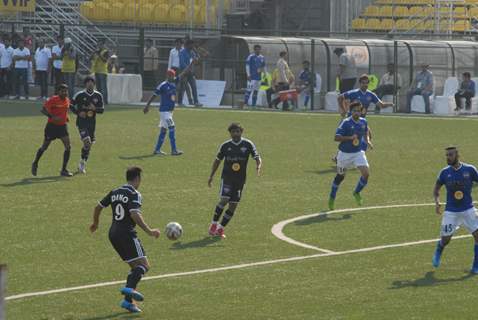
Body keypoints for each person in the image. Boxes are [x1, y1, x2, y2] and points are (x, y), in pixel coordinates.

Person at [90, 166, 161, 313]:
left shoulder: (115, 191)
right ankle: (128, 290)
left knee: (135, 268)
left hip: (113, 234)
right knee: (144, 266)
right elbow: (135, 213)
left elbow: (98, 207)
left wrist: (95, 223)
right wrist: (149, 231)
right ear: (137, 179)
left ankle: (128, 303)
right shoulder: (134, 193)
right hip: (127, 233)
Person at [207, 123, 262, 238]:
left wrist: (258, 165)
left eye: (237, 131)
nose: (235, 134)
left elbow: (257, 157)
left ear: (241, 132)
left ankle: (220, 229)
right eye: (233, 132)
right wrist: (211, 176)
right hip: (227, 178)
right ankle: (213, 224)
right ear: (230, 133)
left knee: (233, 205)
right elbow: (217, 161)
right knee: (224, 200)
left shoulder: (248, 144)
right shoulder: (225, 146)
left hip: (240, 180)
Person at [432, 146, 478, 274]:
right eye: (446, 155)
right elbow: (436, 189)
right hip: (451, 212)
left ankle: (476, 265)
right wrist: (437, 202)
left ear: (457, 155)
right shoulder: (444, 172)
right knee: (446, 239)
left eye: (450, 155)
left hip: (468, 209)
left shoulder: (470, 170)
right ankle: (439, 247)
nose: (448, 157)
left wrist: (472, 185)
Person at [328, 102, 371, 211]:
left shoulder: (363, 121)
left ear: (361, 111)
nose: (357, 112)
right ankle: (332, 197)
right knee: (340, 177)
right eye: (354, 110)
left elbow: (365, 131)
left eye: (358, 110)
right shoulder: (345, 122)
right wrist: (350, 138)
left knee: (366, 174)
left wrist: (368, 141)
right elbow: (336, 137)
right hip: (344, 155)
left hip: (358, 153)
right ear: (351, 111)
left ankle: (356, 192)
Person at [31, 84, 73, 177]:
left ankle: (63, 170)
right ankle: (35, 163)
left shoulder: (67, 100)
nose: (65, 93)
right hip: (52, 127)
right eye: (62, 91)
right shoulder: (53, 99)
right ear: (58, 92)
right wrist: (52, 117)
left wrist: (66, 118)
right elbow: (43, 110)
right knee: (44, 147)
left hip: (62, 127)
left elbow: (65, 110)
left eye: (66, 91)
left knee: (68, 146)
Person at [143, 69, 183, 156]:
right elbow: (154, 95)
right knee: (172, 127)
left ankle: (157, 150)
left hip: (170, 111)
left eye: (173, 75)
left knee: (164, 130)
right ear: (167, 76)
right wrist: (147, 105)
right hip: (164, 112)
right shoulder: (163, 85)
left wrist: (191, 64)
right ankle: (174, 150)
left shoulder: (174, 82)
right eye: (171, 75)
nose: (172, 77)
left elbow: (183, 73)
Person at [70, 76, 105, 174]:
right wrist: (78, 112)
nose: (90, 84)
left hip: (92, 124)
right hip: (81, 122)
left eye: (91, 82)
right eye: (88, 82)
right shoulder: (79, 94)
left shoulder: (98, 95)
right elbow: (71, 105)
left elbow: (102, 110)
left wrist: (95, 109)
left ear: (94, 84)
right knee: (87, 142)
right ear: (85, 84)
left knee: (88, 146)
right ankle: (82, 164)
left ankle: (82, 162)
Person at [178, 39, 201, 107]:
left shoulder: (192, 52)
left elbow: (197, 60)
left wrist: (196, 53)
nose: (193, 46)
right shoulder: (182, 52)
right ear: (188, 45)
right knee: (182, 88)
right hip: (184, 72)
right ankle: (180, 102)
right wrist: (188, 68)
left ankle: (196, 102)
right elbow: (182, 63)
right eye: (192, 44)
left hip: (190, 73)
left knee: (194, 86)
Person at [91, 39, 110, 104]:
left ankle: (105, 101)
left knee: (103, 88)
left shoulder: (106, 51)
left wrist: (99, 54)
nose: (99, 45)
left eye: (101, 44)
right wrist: (93, 53)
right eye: (98, 44)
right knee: (98, 88)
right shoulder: (97, 51)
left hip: (103, 71)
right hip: (97, 71)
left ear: (104, 45)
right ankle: (99, 101)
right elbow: (91, 58)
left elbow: (105, 60)